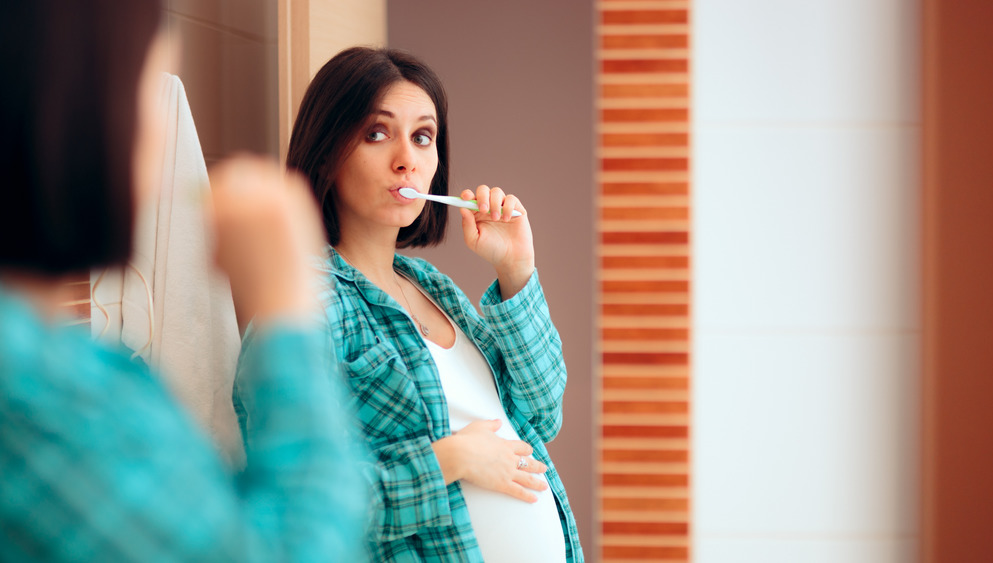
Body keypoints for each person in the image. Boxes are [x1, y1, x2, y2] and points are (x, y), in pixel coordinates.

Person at [0, 2, 366, 561]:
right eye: (150, 84)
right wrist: (284, 310)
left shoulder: (72, 372)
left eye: (424, 136)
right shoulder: (36, 392)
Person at [279, 46, 584, 561]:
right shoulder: (305, 302)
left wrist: (515, 271)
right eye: (377, 133)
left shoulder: (432, 287)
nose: (408, 159)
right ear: (328, 151)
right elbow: (299, 506)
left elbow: (542, 413)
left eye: (423, 136)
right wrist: (450, 460)